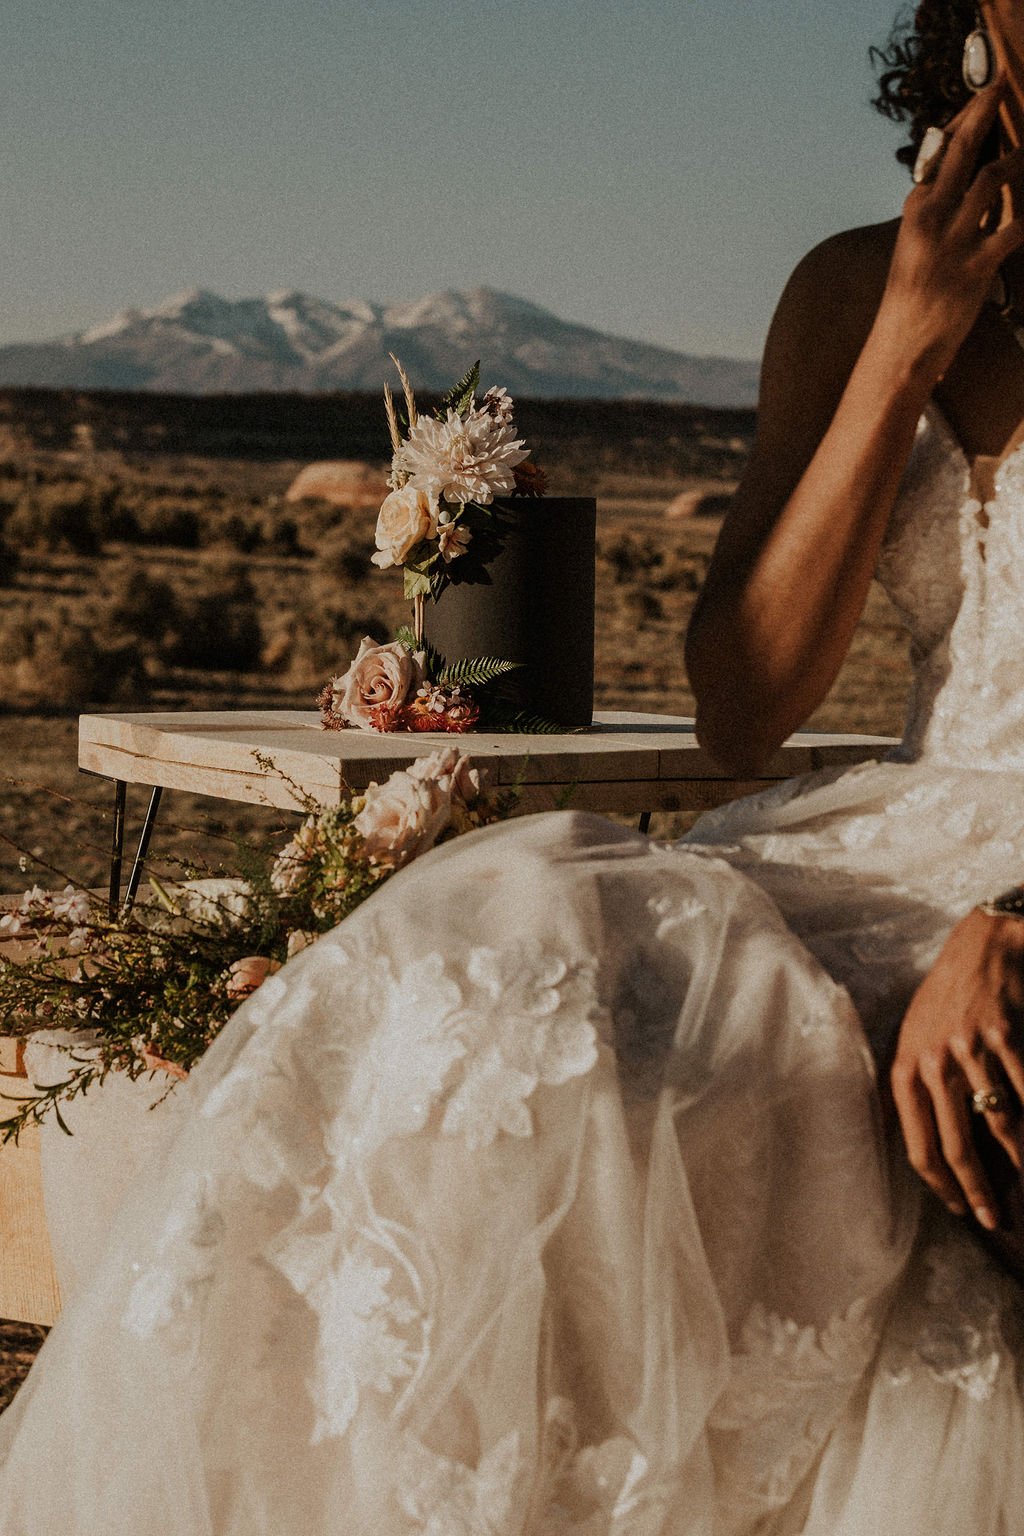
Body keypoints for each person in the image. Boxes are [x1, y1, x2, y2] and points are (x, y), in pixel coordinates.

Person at [4, 2, 1024, 1530]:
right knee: (487, 988)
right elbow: (744, 706)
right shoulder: (850, 288)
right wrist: (902, 347)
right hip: (888, 827)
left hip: (994, 881)